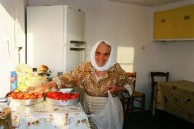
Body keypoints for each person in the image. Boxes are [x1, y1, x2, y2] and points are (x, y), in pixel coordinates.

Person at [31, 40, 133, 129]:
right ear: (93, 53)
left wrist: (119, 89)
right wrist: (51, 83)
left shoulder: (116, 68)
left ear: (110, 55)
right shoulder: (85, 67)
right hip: (88, 107)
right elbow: (70, 77)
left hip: (109, 111)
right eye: (98, 53)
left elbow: (129, 85)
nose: (101, 57)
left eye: (106, 54)